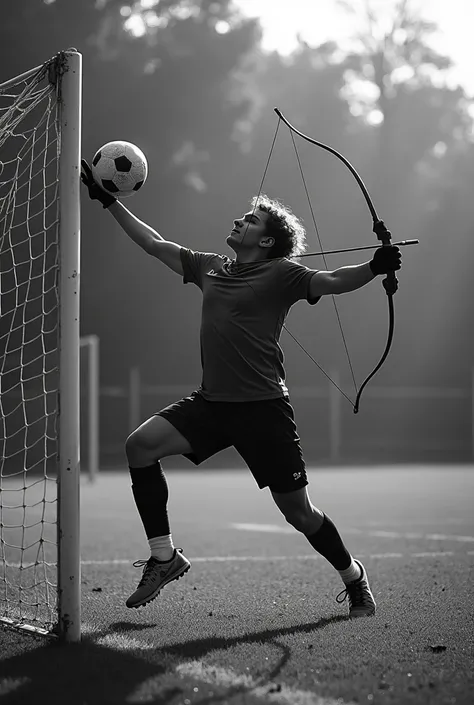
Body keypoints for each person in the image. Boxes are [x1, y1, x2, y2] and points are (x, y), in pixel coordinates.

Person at [81, 159, 401, 618]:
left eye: (249, 219)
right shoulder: (210, 267)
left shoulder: (284, 273)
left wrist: (374, 266)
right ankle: (164, 557)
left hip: (264, 410)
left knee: (299, 514)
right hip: (212, 404)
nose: (238, 220)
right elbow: (154, 244)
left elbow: (332, 280)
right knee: (140, 446)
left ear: (267, 240)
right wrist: (110, 201)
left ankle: (354, 577)